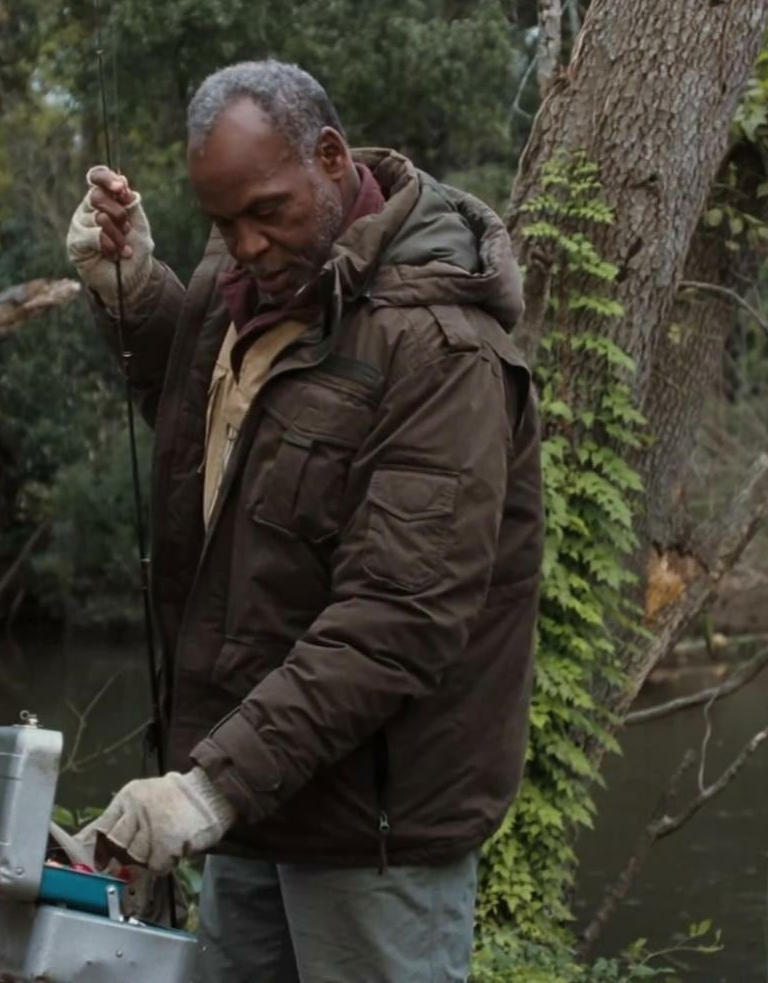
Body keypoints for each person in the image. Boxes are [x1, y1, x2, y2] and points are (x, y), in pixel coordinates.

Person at [63, 59, 542, 982]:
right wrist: (134, 290)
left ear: (328, 157)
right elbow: (212, 423)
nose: (245, 244)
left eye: (266, 212)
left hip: (371, 829)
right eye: (222, 222)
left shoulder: (439, 347)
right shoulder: (243, 286)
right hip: (255, 795)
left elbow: (398, 615)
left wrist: (210, 789)